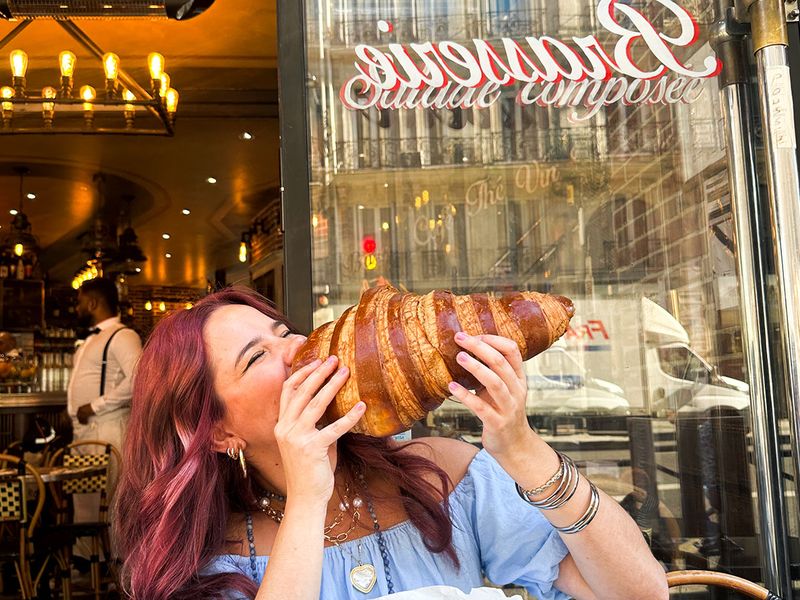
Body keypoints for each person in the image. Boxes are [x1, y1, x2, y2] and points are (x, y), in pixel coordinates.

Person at [114, 287, 667, 600]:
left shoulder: (442, 476)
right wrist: (309, 497)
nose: (291, 351)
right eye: (255, 357)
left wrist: (522, 449)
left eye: (283, 333)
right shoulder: (208, 563)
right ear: (218, 430)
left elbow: (641, 594)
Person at [68, 277, 142, 562]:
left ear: (93, 302)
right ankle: (88, 565)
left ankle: (119, 569)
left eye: (79, 301)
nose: (77, 307)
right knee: (85, 502)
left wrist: (96, 405)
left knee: (113, 502)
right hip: (86, 433)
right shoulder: (91, 338)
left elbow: (138, 379)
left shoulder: (122, 336)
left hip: (109, 429)